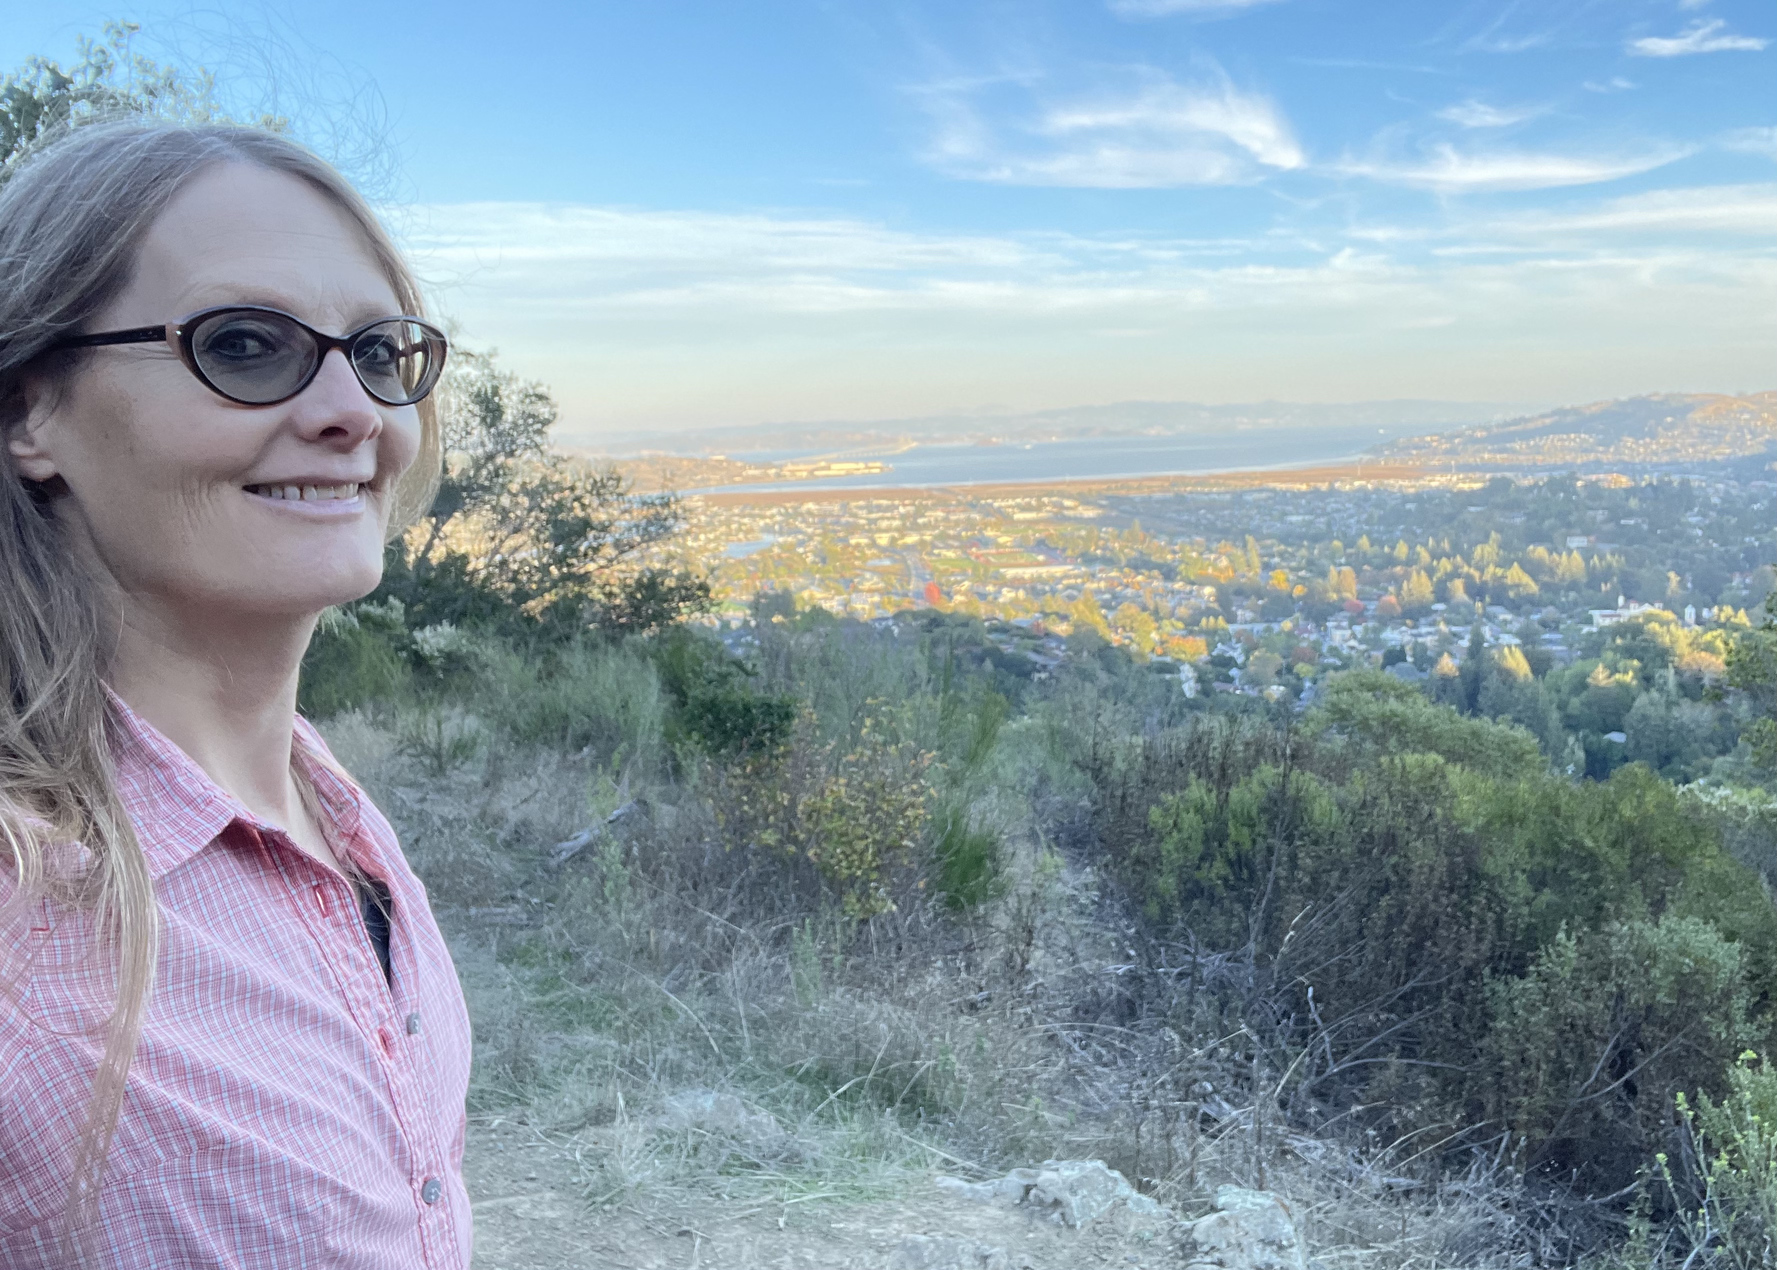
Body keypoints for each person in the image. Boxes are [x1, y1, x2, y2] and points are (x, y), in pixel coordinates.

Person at [0, 122, 471, 1268]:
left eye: (379, 349)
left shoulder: (328, 803)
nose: (353, 412)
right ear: (29, 412)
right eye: (248, 343)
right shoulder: (23, 916)